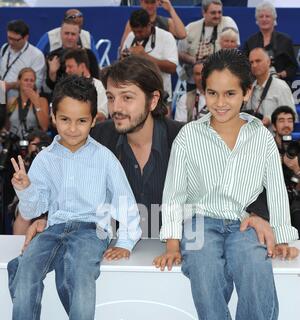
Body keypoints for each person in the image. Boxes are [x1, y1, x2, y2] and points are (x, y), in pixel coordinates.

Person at [21, 56, 290, 258]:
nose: (116, 108)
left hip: (181, 258)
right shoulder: (95, 138)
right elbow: (61, 180)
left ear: (152, 101)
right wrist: (48, 218)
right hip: (112, 259)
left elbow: (241, 181)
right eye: (112, 98)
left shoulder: (186, 138)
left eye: (127, 98)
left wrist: (258, 214)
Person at [154, 49, 299, 320]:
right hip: (197, 220)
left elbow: (276, 189)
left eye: (230, 93)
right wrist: (172, 243)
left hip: (243, 221)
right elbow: (173, 192)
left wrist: (283, 236)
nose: (221, 102)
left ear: (246, 93)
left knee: (254, 267)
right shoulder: (189, 136)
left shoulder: (262, 138)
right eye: (213, 93)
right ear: (203, 92)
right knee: (203, 269)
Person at [6, 75, 141, 320]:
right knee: (23, 273)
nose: (72, 127)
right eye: (65, 119)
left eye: (81, 120)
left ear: (94, 120)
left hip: (90, 230)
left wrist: (124, 241)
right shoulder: (46, 159)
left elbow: (126, 202)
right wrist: (24, 188)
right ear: (53, 116)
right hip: (53, 229)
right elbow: (36, 206)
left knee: (80, 276)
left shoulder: (104, 158)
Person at [121, 9, 178, 107]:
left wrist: (144, 56)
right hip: (134, 96)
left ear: (149, 25)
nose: (137, 35)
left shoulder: (166, 37)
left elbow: (172, 68)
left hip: (160, 97)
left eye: (140, 31)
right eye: (135, 32)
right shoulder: (131, 36)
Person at [178, 0, 240, 89]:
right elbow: (180, 53)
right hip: (195, 79)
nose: (217, 16)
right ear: (204, 12)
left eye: (220, 12)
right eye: (213, 13)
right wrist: (193, 60)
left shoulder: (228, 22)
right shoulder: (191, 28)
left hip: (221, 79)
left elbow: (235, 49)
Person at [243, 1, 297, 83]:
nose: (264, 19)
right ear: (257, 20)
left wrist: (280, 75)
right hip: (256, 85)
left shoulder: (285, 41)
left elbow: (293, 67)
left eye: (267, 16)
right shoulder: (250, 42)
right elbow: (245, 67)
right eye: (261, 16)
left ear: (274, 19)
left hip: (281, 85)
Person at [246, 48, 297, 130]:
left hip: (274, 140)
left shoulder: (281, 87)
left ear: (268, 62)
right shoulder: (250, 89)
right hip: (253, 139)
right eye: (251, 62)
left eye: (258, 61)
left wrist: (271, 120)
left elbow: (292, 117)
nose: (254, 65)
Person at [271, 105, 300, 237]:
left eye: (289, 120)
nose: (286, 124)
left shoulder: (297, 147)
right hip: (272, 200)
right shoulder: (265, 147)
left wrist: (296, 169)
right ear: (274, 126)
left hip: (294, 200)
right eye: (281, 120)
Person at [0, 20, 46, 99]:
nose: (11, 42)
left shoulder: (36, 55)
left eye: (15, 40)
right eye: (9, 38)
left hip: (22, 102)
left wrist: (11, 86)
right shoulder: (5, 48)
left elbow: (36, 85)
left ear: (26, 37)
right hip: (3, 99)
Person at [120, 0, 186, 49]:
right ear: (141, 2)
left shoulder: (166, 22)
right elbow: (124, 47)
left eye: (153, 2)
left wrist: (170, 9)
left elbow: (182, 34)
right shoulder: (133, 22)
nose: (149, 6)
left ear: (158, 2)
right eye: (146, 2)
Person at [64, 48, 108, 122]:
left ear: (82, 67)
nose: (67, 70)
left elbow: (102, 115)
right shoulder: (65, 87)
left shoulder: (98, 85)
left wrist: (78, 119)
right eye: (66, 67)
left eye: (70, 67)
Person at [6, 67, 49, 139]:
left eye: (32, 80)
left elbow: (45, 127)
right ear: (19, 81)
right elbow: (6, 126)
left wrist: (36, 103)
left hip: (33, 143)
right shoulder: (12, 102)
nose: (29, 83)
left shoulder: (41, 101)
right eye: (26, 80)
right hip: (14, 143)